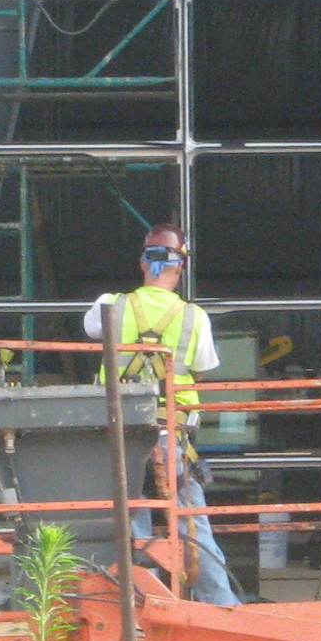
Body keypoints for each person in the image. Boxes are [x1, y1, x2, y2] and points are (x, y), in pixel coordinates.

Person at [81, 225, 240, 608]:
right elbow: (199, 370)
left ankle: (141, 597)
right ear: (180, 267)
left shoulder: (108, 305)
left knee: (129, 514)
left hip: (121, 430)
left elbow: (90, 335)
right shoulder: (194, 317)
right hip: (172, 432)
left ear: (142, 262)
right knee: (190, 518)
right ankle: (220, 603)